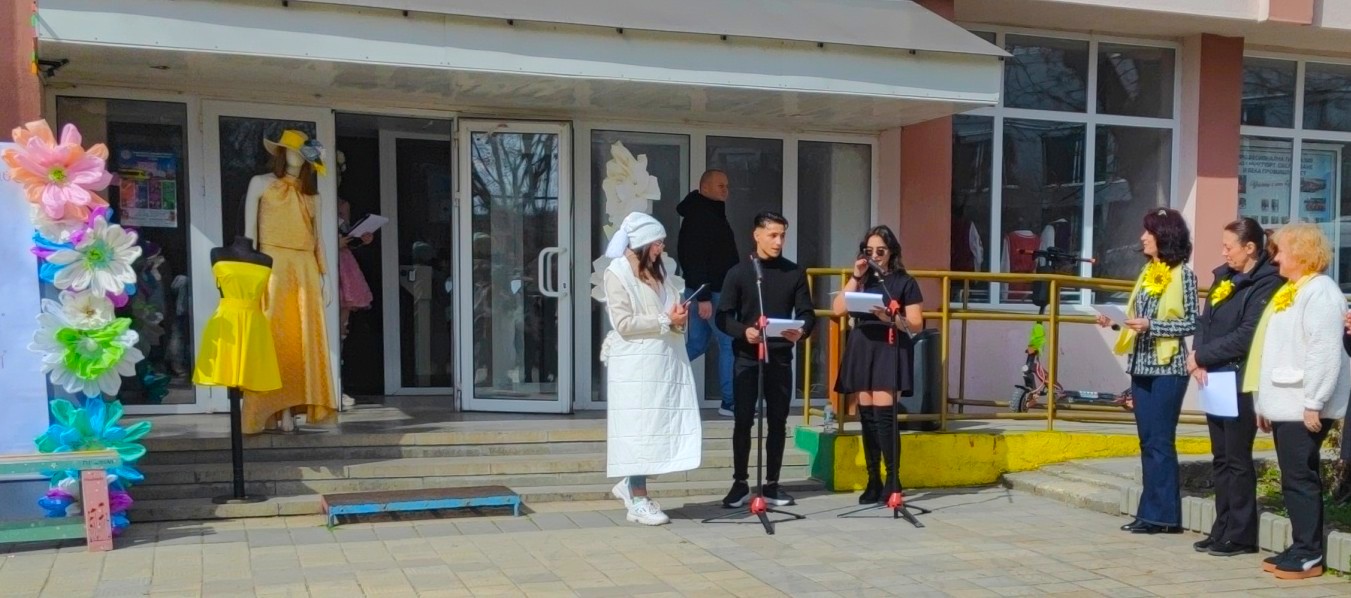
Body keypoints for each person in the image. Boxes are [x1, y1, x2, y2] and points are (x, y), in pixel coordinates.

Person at [1246, 223, 1349, 580]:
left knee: (1300, 477)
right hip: (1287, 402)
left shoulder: (1321, 292)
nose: (1274, 258)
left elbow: (1324, 352)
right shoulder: (1293, 290)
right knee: (1293, 477)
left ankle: (1309, 553)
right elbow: (1273, 352)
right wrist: (1264, 403)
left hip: (1303, 404)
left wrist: (1314, 401)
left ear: (1302, 254)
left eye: (1281, 251)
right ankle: (1300, 544)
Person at [1097, 208, 1197, 535]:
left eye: (1149, 232)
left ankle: (1163, 516)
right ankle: (1149, 512)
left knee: (1160, 441)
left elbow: (1190, 323)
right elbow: (1137, 318)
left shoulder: (1183, 275)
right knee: (1146, 441)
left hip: (1168, 368)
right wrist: (1115, 322)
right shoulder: (1147, 271)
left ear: (1164, 236)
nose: (1142, 238)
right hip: (1141, 365)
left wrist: (1152, 326)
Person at [600, 212, 703, 526]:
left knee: (658, 429)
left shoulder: (660, 272)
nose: (661, 247)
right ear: (642, 242)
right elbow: (623, 323)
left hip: (662, 362)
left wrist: (678, 317)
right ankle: (638, 499)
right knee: (639, 431)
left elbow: (668, 314)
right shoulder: (617, 273)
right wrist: (664, 319)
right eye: (657, 242)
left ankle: (631, 485)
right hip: (634, 366)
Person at [1187, 218, 1281, 557]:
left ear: (1250, 248)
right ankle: (1222, 527)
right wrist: (1197, 357)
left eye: (1229, 247)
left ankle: (1240, 534)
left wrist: (1203, 355)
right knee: (1221, 457)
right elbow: (1205, 321)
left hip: (1239, 379)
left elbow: (1246, 335)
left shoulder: (1267, 282)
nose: (1224, 252)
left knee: (1238, 458)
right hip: (1214, 377)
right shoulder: (1224, 276)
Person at [715, 211, 816, 508]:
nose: (778, 241)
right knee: (743, 420)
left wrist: (802, 331)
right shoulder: (739, 273)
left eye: (782, 235)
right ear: (756, 235)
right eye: (772, 235)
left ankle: (772, 483)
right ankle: (740, 483)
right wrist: (743, 331)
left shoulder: (794, 273)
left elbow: (807, 313)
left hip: (780, 356)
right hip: (747, 357)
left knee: (777, 421)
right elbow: (723, 317)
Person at [831, 225, 924, 505]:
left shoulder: (905, 282)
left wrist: (889, 318)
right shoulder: (862, 280)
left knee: (884, 416)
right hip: (863, 345)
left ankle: (893, 479)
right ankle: (873, 480)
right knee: (868, 417)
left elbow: (916, 324)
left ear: (891, 252)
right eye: (868, 251)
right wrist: (855, 276)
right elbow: (838, 309)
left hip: (889, 345)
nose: (874, 256)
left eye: (880, 251)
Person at [677, 169, 739, 416]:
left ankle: (660, 376)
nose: (726, 190)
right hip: (710, 293)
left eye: (727, 186)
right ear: (704, 188)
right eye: (720, 186)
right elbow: (694, 258)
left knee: (697, 343)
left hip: (707, 292)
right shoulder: (700, 216)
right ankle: (730, 402)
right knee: (728, 343)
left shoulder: (707, 212)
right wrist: (703, 296)